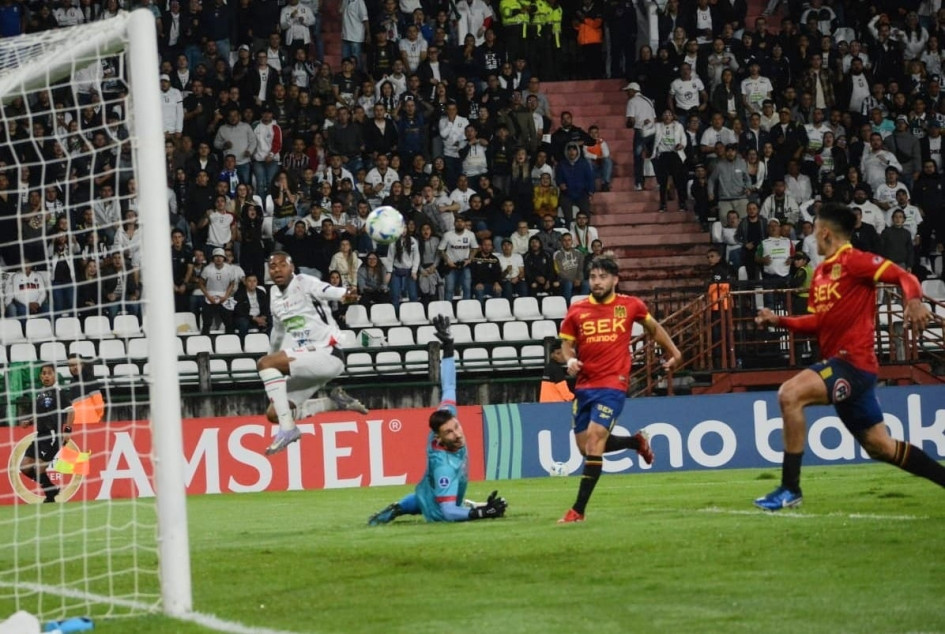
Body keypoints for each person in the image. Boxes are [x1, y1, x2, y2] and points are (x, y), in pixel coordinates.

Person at [753, 204, 943, 511]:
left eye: (815, 231)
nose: (813, 238)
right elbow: (817, 323)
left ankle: (790, 488)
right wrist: (780, 321)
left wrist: (915, 301)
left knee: (790, 395)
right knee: (880, 447)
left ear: (825, 232)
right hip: (850, 370)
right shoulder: (820, 275)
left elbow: (903, 276)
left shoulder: (856, 262)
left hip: (851, 364)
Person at [557, 254, 681, 522]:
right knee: (585, 447)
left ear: (615, 279)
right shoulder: (576, 310)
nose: (597, 282)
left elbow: (654, 328)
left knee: (594, 439)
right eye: (592, 277)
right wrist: (570, 359)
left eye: (602, 277)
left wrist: (674, 352)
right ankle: (635, 442)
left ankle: (577, 510)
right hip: (585, 385)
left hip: (613, 383)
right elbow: (565, 345)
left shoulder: (630, 305)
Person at [368, 315, 508, 525]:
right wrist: (481, 513)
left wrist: (449, 347)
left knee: (425, 492)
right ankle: (395, 511)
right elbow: (449, 512)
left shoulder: (446, 416)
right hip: (438, 511)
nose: (457, 433)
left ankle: (397, 508)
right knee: (437, 499)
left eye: (456, 427)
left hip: (429, 490)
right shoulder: (443, 466)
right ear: (439, 438)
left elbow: (449, 385)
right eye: (450, 432)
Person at [257, 252, 369, 455]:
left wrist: (345, 293)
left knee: (266, 364)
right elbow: (278, 332)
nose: (277, 269)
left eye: (282, 265)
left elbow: (327, 290)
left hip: (328, 353)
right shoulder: (274, 295)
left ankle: (288, 430)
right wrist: (271, 359)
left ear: (292, 267)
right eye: (272, 266)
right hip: (309, 361)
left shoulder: (303, 282)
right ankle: (333, 402)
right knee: (275, 413)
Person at [18, 363, 69, 503]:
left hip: (52, 435)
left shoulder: (58, 392)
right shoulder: (41, 393)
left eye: (49, 373)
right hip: (40, 435)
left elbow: (71, 411)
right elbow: (42, 414)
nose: (46, 376)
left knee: (40, 467)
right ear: (40, 376)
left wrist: (68, 430)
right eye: (43, 373)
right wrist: (30, 421)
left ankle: (50, 495)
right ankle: (51, 489)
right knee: (24, 467)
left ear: (54, 375)